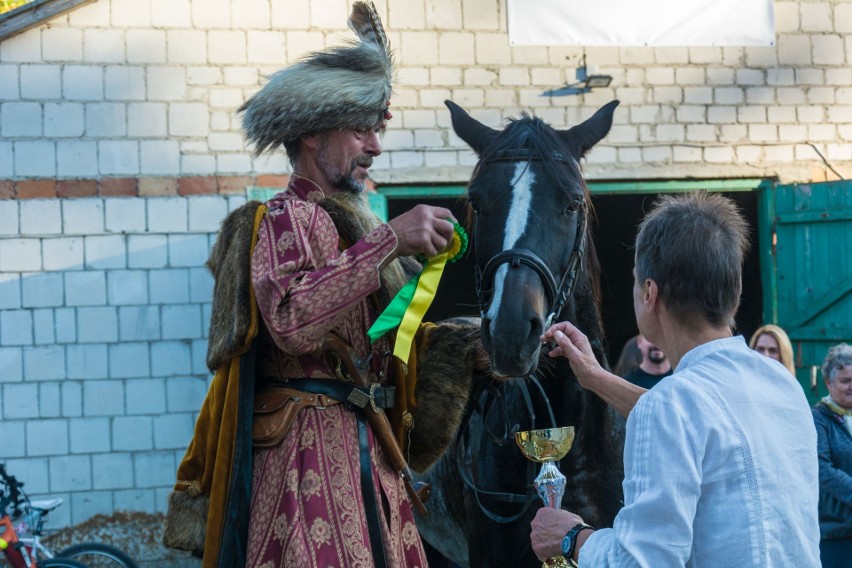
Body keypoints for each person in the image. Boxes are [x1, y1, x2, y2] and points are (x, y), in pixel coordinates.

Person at [162, 3, 485, 567]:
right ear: (312, 135)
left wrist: (468, 344)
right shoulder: (287, 216)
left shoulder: (353, 225)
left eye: (376, 130)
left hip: (364, 450)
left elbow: (384, 348)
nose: (376, 147)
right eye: (361, 131)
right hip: (304, 459)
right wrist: (390, 240)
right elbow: (289, 320)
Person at [532, 192, 820, 566]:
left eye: (637, 283)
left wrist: (572, 536)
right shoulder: (780, 382)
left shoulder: (672, 405)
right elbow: (705, 421)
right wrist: (596, 377)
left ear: (650, 293)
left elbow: (640, 562)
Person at [812, 343, 852, 568]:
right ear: (828, 383)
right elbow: (822, 469)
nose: (851, 386)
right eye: (846, 381)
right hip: (835, 530)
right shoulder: (819, 418)